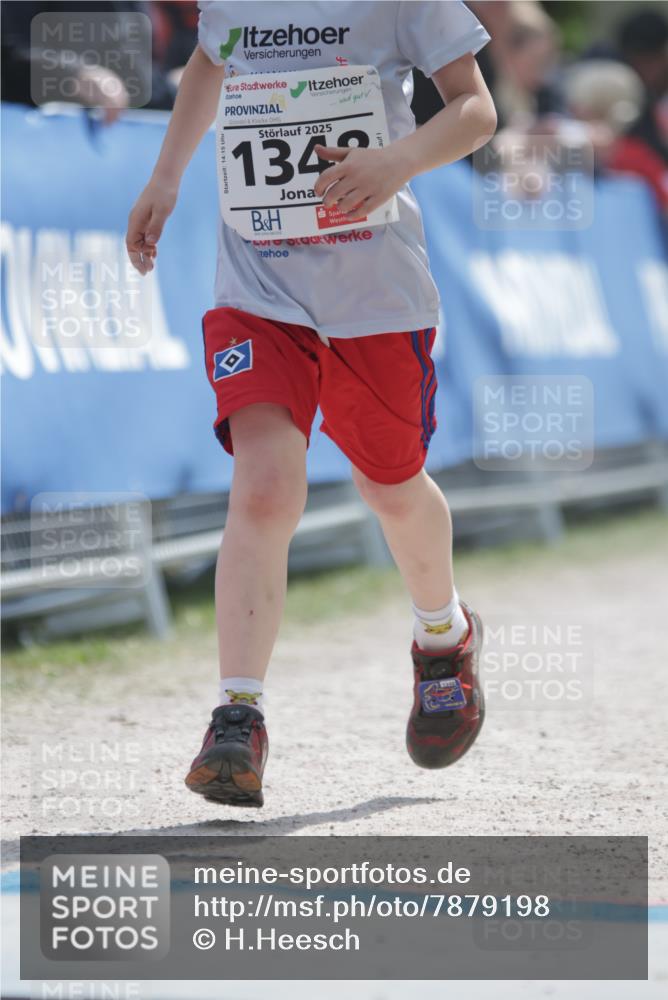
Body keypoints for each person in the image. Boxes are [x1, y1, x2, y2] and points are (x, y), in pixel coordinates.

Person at [126, 1, 496, 808]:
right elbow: (207, 61)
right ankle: (237, 714)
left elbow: (476, 110)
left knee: (391, 487)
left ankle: (444, 637)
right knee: (264, 485)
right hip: (258, 287)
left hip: (376, 294)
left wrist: (395, 163)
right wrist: (166, 176)